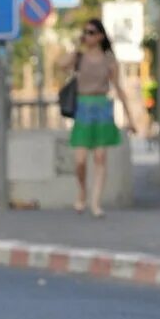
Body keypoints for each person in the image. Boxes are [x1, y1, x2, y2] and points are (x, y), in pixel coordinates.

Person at [60, 19, 135, 218]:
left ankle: (95, 202)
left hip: (102, 107)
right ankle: (82, 191)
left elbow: (118, 87)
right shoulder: (79, 56)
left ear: (101, 36)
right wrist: (77, 46)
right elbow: (60, 65)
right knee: (80, 161)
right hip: (83, 108)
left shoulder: (109, 59)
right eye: (85, 31)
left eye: (91, 32)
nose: (87, 35)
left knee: (101, 157)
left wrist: (130, 118)